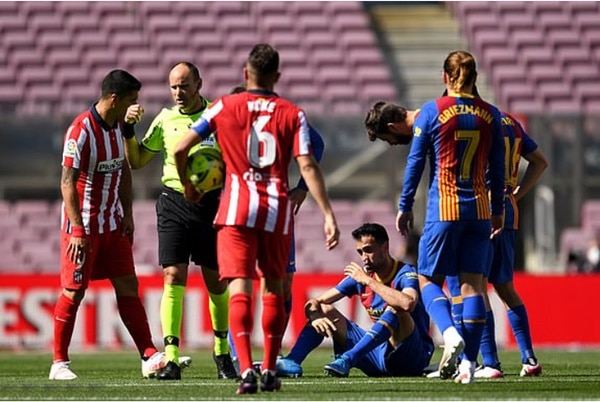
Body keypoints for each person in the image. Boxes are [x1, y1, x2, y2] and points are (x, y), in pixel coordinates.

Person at [173, 43, 339, 394]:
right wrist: (327, 212)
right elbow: (307, 164)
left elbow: (179, 148)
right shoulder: (292, 113)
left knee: (239, 289)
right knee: (275, 290)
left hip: (235, 209)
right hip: (276, 210)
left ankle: (246, 369)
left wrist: (189, 185)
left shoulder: (224, 106)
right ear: (277, 77)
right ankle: (270, 370)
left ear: (245, 75)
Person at [122, 62, 237, 381]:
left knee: (216, 280)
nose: (178, 92)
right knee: (173, 275)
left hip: (212, 204)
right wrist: (128, 130)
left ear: (199, 83)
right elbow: (138, 161)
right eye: (173, 87)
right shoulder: (165, 118)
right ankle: (171, 357)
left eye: (184, 86)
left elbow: (236, 157)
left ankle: (222, 353)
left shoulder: (218, 115)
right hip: (173, 201)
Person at [396, 50, 505, 384]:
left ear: (445, 77)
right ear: (475, 78)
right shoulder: (491, 114)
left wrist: (405, 204)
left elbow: (416, 163)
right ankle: (468, 365)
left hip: (444, 208)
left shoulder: (433, 111)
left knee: (427, 279)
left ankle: (450, 334)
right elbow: (498, 168)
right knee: (474, 286)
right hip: (481, 211)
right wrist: (498, 209)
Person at [51, 69, 165, 380]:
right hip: (83, 227)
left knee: (128, 285)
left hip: (112, 224)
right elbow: (66, 182)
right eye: (132, 99)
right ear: (114, 99)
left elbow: (124, 170)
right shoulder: (80, 131)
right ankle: (59, 363)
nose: (135, 105)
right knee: (74, 292)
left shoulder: (118, 127)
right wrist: (76, 229)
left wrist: (127, 212)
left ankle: (148, 354)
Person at [225, 85, 326, 372]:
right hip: (241, 213)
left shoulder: (280, 119)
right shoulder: (226, 120)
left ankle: (273, 352)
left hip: (277, 211)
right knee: (240, 282)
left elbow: (317, 145)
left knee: (282, 283)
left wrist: (303, 188)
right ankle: (236, 354)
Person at [443, 110, 548, 379]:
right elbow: (539, 161)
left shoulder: (478, 121)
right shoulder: (511, 123)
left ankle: (490, 363)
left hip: (482, 208)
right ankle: (529, 358)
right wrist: (519, 194)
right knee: (505, 287)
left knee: (476, 285)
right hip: (509, 210)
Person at [276, 223, 434, 378]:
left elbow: (408, 303)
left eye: (368, 250)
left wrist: (368, 281)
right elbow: (315, 302)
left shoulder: (405, 273)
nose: (364, 258)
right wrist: (314, 316)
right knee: (325, 310)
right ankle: (292, 361)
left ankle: (348, 358)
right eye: (360, 252)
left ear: (385, 247)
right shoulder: (361, 276)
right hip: (379, 354)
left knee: (396, 307)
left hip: (412, 357)